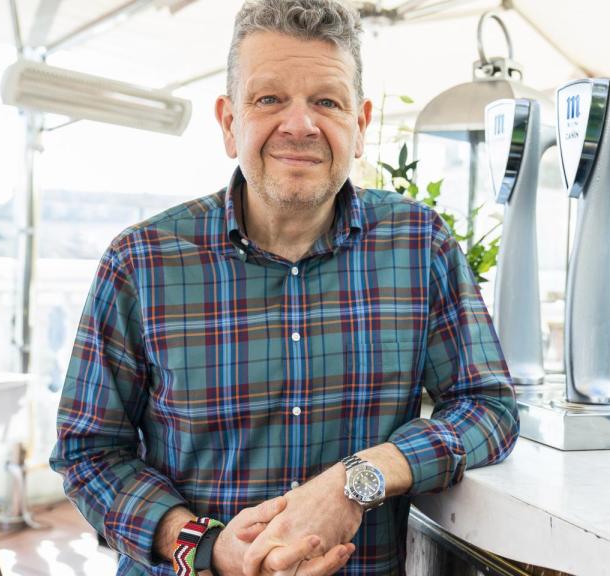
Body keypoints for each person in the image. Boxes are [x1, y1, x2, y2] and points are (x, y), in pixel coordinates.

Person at [49, 2, 519, 575]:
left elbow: (488, 407)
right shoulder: (142, 262)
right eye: (269, 99)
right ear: (229, 123)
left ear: (361, 125)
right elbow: (89, 453)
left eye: (326, 101)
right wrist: (205, 545)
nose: (300, 125)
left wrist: (359, 479)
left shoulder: (420, 245)